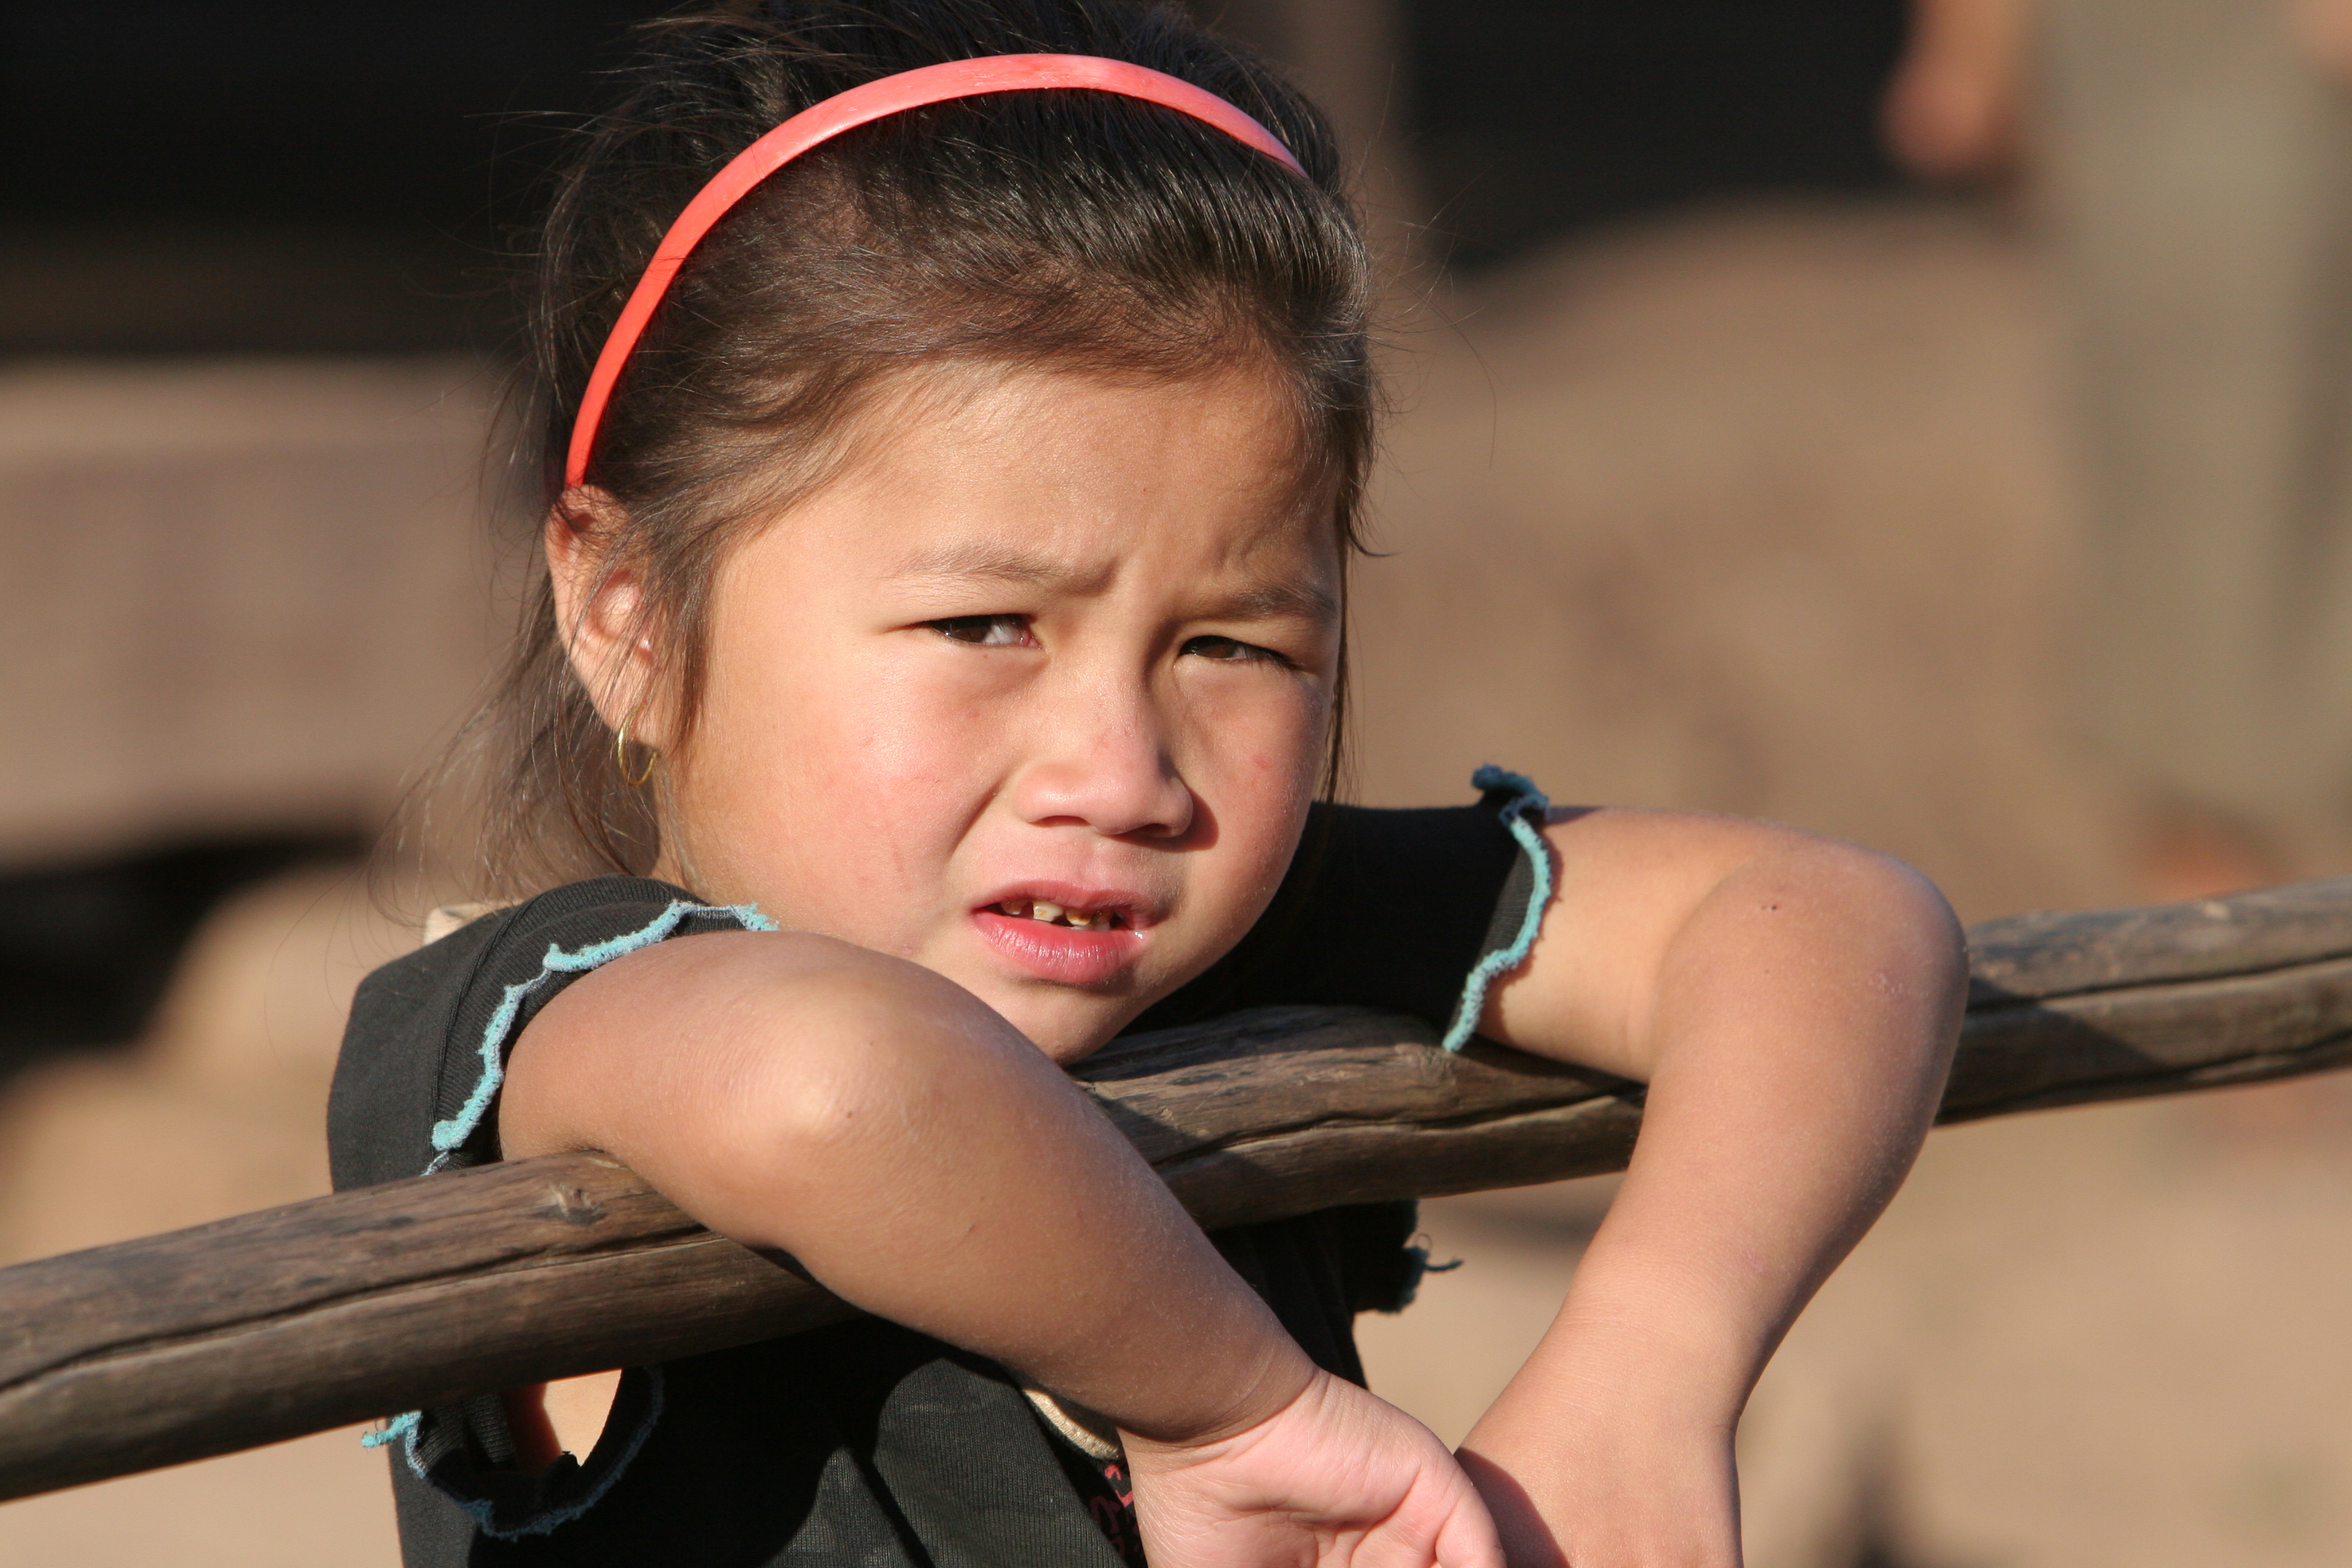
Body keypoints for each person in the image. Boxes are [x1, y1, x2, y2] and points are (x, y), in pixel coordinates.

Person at [328, 4, 1967, 1565]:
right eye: (984, 624)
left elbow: (1828, 923)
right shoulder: (554, 1028)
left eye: (1235, 647)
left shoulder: (1223, 931)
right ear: (624, 611)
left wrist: (1649, 1366)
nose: (1121, 772)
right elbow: (832, 1084)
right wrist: (1235, 1417)